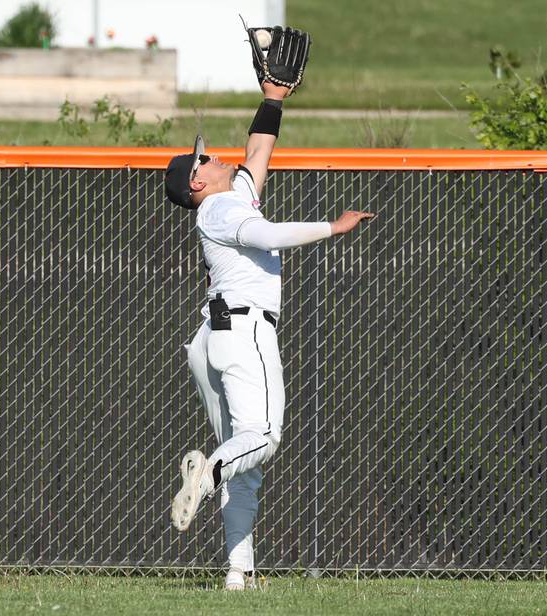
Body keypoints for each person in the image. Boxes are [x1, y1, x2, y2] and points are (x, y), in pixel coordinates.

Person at [164, 79, 373, 590]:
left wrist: (273, 97)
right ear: (197, 184)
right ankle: (206, 474)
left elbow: (258, 149)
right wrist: (332, 227)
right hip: (244, 329)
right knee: (262, 438)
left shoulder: (231, 194)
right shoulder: (221, 209)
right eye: (205, 160)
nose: (214, 157)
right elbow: (268, 235)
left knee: (243, 459)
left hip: (213, 335)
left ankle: (239, 573)